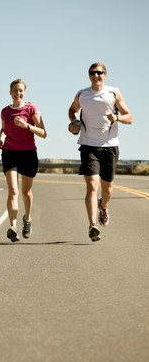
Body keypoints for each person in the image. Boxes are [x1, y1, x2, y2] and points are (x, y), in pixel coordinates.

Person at [68, 62, 133, 242]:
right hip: (88, 145)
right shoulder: (82, 94)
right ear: (89, 75)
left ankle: (103, 206)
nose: (96, 76)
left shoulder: (113, 93)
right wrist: (74, 122)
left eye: (99, 73)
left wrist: (117, 117)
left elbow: (130, 117)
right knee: (92, 185)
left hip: (110, 146)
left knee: (108, 189)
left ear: (105, 75)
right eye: (92, 73)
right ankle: (92, 225)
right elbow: (72, 110)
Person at [0, 78, 47, 242]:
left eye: (21, 91)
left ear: (24, 92)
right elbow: (4, 129)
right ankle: (12, 226)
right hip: (9, 152)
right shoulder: (5, 111)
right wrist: (1, 140)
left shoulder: (32, 108)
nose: (18, 93)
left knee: (26, 192)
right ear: (10, 92)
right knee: (13, 191)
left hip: (28, 153)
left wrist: (26, 126)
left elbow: (43, 133)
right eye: (15, 90)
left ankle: (28, 218)